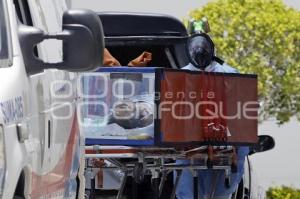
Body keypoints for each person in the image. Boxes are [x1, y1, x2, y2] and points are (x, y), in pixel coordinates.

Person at [176, 26, 249, 199]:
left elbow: (243, 113)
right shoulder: (180, 76)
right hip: (189, 149)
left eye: (204, 45)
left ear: (212, 47)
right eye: (194, 46)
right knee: (188, 191)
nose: (200, 50)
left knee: (219, 192)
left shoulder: (230, 74)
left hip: (224, 146)